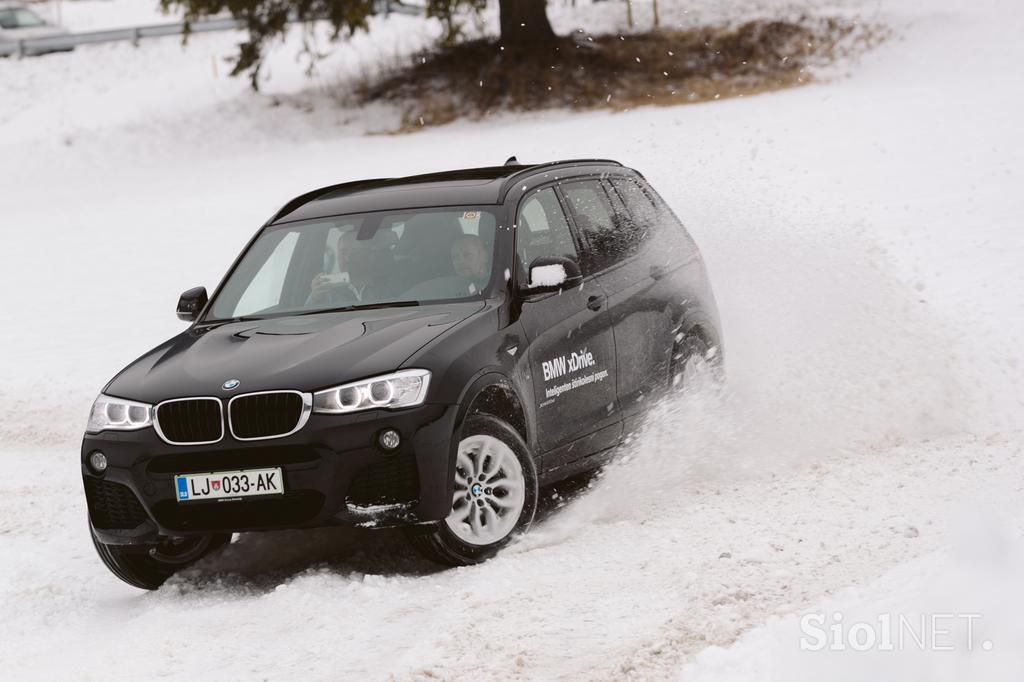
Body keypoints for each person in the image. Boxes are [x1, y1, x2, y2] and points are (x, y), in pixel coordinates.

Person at [309, 228, 400, 305]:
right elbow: (308, 320)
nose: (348, 258)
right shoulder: (326, 291)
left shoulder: (389, 287)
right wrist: (315, 298)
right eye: (343, 252)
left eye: (356, 252)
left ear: (369, 255)